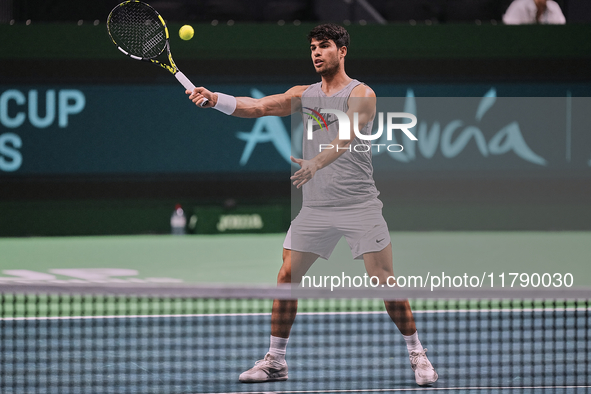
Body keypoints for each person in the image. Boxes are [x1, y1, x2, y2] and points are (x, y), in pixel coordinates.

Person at [186, 23, 438, 387]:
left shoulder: (362, 93)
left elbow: (348, 136)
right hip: (316, 208)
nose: (317, 53)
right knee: (287, 277)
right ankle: (275, 360)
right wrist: (216, 99)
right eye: (313, 48)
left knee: (383, 280)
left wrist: (316, 163)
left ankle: (418, 353)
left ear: (343, 50)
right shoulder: (303, 94)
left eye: (324, 46)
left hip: (359, 205)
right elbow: (256, 106)